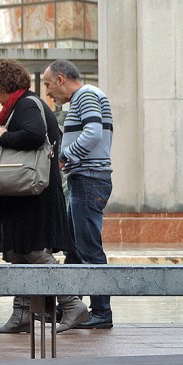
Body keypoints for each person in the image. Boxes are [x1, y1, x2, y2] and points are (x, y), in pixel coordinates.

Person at [0, 59, 88, 334]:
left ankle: (72, 304)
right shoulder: (24, 105)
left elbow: (33, 136)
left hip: (32, 197)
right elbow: (20, 155)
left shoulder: (25, 105)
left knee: (35, 252)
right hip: (27, 196)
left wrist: (1, 136)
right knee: (21, 254)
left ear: (2, 86)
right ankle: (22, 313)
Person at [42, 60, 114, 330]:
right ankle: (72, 308)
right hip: (84, 179)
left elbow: (93, 133)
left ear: (61, 79)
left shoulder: (87, 95)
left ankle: (101, 312)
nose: (48, 92)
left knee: (88, 248)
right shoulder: (85, 99)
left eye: (48, 84)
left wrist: (64, 157)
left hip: (89, 179)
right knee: (74, 249)